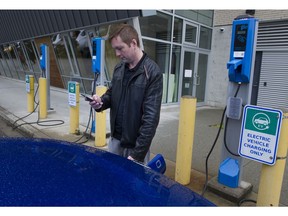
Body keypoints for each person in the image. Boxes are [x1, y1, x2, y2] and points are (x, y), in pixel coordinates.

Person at [89, 24, 163, 164]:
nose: (117, 54)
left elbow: (151, 119)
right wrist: (100, 102)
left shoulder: (152, 73)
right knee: (113, 181)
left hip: (135, 147)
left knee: (134, 185)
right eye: (115, 49)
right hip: (115, 142)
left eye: (120, 48)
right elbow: (112, 94)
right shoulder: (119, 68)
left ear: (133, 43)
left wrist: (137, 154)